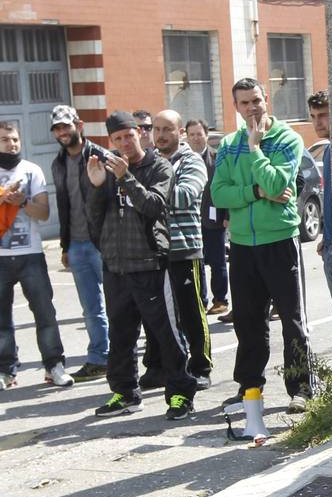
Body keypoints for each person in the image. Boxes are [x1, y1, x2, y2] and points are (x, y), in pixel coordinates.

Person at [209, 79, 313, 414]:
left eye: (256, 101)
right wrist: (254, 193)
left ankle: (301, 389)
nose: (251, 108)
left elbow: (278, 183)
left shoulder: (286, 139)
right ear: (236, 107)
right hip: (241, 244)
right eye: (244, 103)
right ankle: (249, 386)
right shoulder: (227, 144)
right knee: (248, 321)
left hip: (279, 239)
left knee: (292, 320)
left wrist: (255, 151)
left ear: (266, 99)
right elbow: (218, 194)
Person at [85, 111, 196, 420]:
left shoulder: (158, 166)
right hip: (116, 266)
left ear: (139, 134)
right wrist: (96, 187)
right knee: (120, 335)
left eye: (129, 136)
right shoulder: (105, 171)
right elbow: (93, 220)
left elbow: (153, 205)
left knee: (166, 333)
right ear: (111, 141)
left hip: (150, 263)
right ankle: (125, 393)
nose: (124, 143)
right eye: (117, 139)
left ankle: (180, 394)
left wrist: (126, 178)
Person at [142, 110, 212, 388]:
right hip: (153, 251)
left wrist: (152, 187)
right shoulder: (149, 162)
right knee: (156, 314)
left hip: (185, 247)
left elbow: (185, 196)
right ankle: (158, 366)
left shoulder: (191, 161)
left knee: (191, 311)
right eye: (156, 129)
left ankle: (201, 367)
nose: (160, 135)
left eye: (167, 129)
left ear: (180, 132)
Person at [0, 121, 71, 390]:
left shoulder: (32, 171)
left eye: (15, 139)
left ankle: (54, 366)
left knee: (45, 314)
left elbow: (43, 214)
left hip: (31, 254)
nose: (12, 144)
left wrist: (22, 202)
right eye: (6, 139)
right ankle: (6, 371)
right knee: (1, 320)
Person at [49, 105, 110, 380]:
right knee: (90, 308)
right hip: (76, 244)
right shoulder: (57, 163)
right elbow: (64, 206)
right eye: (57, 128)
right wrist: (64, 246)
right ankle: (100, 357)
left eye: (66, 126)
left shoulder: (100, 155)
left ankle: (131, 354)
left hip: (103, 242)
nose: (62, 132)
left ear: (79, 125)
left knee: (121, 301)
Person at [187, 119, 229, 318]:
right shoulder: (183, 159)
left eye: (199, 133)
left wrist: (226, 215)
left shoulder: (217, 158)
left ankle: (220, 299)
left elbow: (226, 185)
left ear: (206, 135)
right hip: (190, 222)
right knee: (197, 263)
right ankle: (200, 301)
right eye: (192, 134)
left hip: (214, 219)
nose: (196, 138)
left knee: (218, 262)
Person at [308, 90, 332, 303]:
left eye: (323, 114)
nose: (318, 122)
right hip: (331, 246)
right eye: (314, 116)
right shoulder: (328, 150)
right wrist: (326, 238)